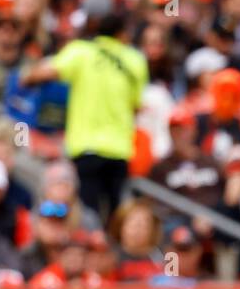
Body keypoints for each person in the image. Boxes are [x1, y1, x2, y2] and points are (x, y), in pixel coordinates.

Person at [21, 11, 147, 224]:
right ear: (123, 34)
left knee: (89, 215)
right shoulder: (135, 60)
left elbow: (41, 74)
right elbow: (136, 106)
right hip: (119, 149)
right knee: (116, 218)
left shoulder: (81, 52)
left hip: (86, 147)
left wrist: (27, 79)